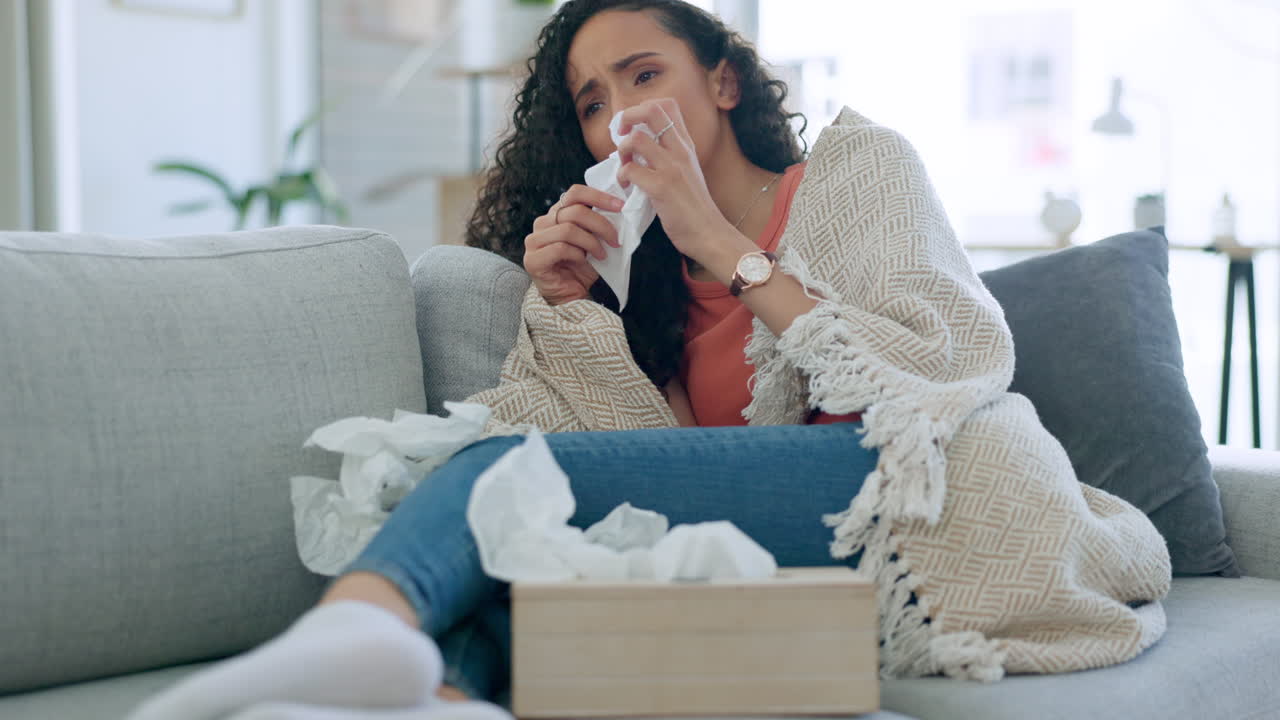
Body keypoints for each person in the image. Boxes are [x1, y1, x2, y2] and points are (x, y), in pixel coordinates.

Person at [127, 0, 1170, 718]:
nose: (618, 113)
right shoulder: (646, 273)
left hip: (938, 486)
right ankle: (434, 691)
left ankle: (349, 623)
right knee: (519, 549)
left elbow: (926, 367)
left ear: (719, 81)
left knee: (501, 477)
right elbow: (654, 488)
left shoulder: (857, 169)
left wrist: (715, 232)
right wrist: (573, 304)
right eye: (591, 100)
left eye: (642, 75)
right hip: (794, 531)